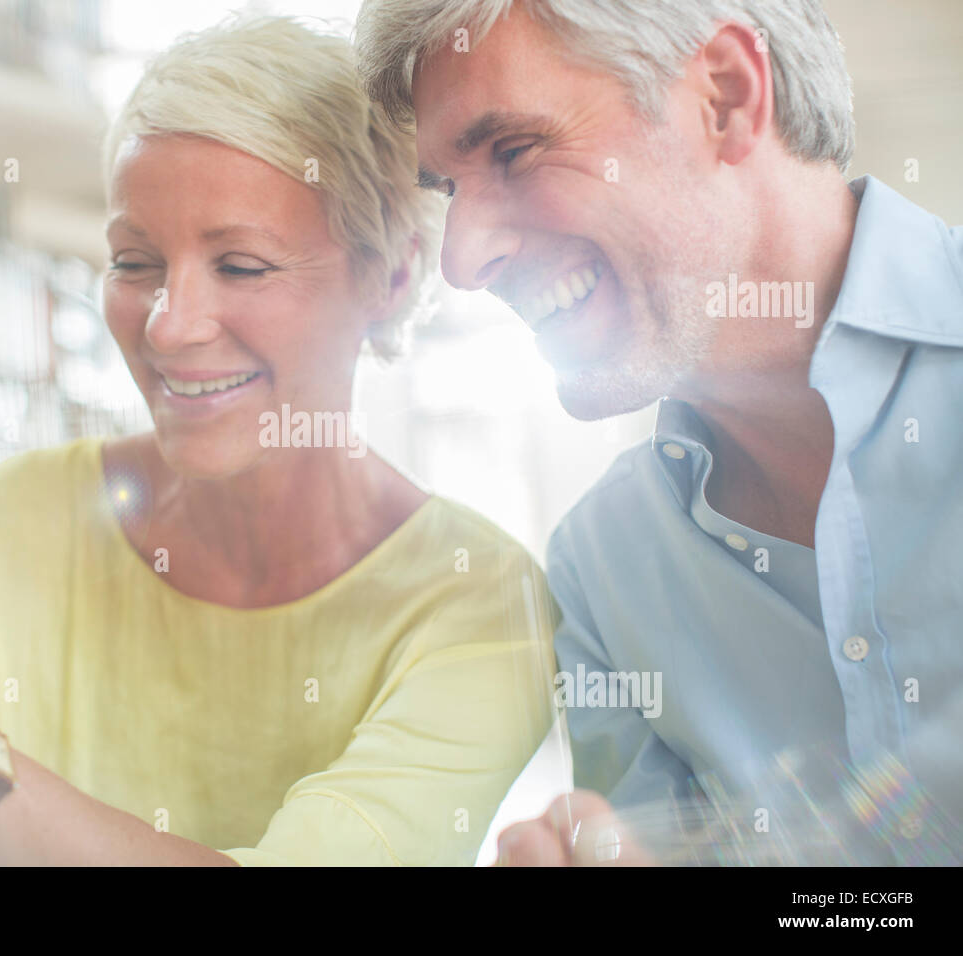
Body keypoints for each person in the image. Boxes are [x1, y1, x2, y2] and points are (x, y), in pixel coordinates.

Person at [0, 16, 559, 866]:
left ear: (393, 273)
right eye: (135, 262)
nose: (168, 325)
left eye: (241, 265)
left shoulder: (481, 603)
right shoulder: (2, 524)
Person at [355, 0, 963, 864]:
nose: (460, 259)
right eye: (448, 189)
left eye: (515, 151)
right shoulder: (603, 571)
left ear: (726, 98)